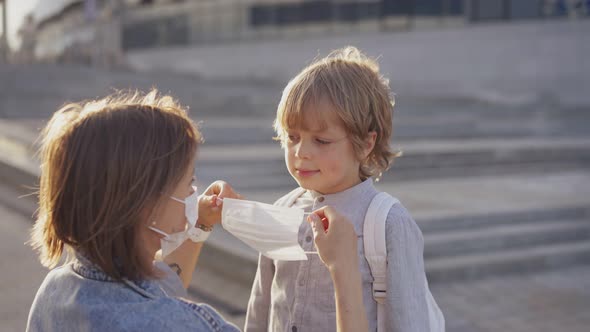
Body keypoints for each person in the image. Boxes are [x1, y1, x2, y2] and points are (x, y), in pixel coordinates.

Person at [26, 90, 368, 332]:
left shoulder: (56, 291)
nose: (193, 192)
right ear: (146, 201)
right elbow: (162, 311)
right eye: (187, 182)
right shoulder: (184, 325)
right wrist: (343, 270)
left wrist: (201, 225)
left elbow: (158, 289)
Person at [245, 46, 444, 332]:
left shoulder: (389, 224)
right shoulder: (281, 210)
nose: (301, 151)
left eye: (322, 141)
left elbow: (409, 322)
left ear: (365, 144)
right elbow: (260, 307)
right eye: (292, 137)